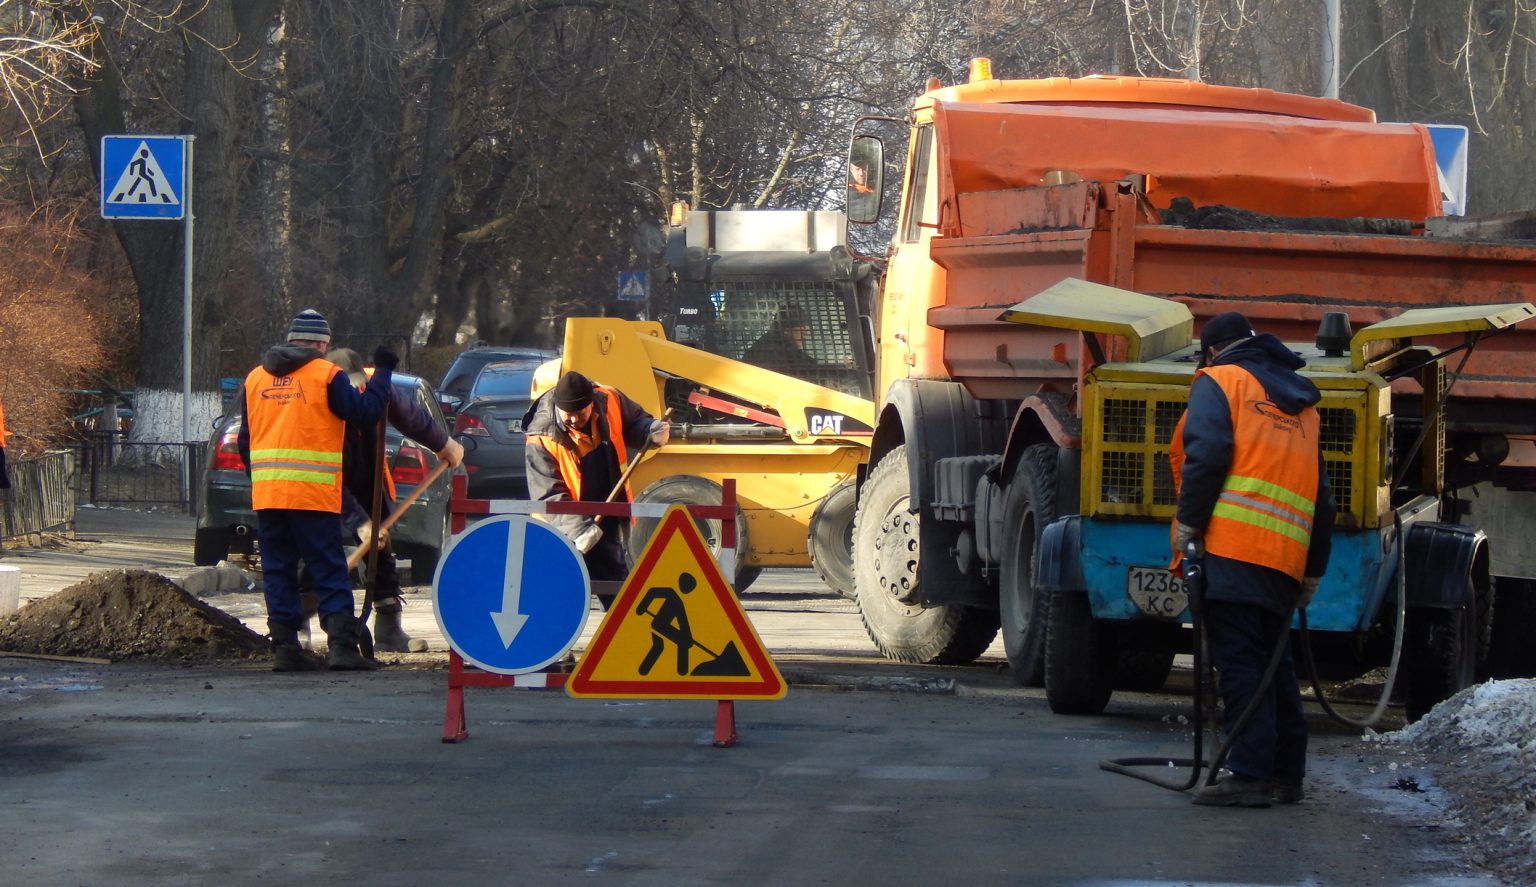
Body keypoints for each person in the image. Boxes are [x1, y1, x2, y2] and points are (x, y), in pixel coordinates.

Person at [1170, 311, 1335, 808]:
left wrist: (1188, 522)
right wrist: (1313, 568)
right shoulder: (1303, 404)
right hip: (1285, 556)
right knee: (1272, 666)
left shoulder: (1220, 381)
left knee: (1241, 663)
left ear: (1212, 351)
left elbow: (1208, 453)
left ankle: (1249, 773)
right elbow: (1322, 496)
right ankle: (1287, 774)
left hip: (1233, 548)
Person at [237, 309, 396, 672]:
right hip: (314, 494)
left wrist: (262, 478)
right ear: (322, 344)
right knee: (328, 567)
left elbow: (245, 442)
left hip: (269, 495)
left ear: (291, 339)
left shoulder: (255, 378)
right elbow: (366, 412)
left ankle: (286, 650)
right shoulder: (326, 374)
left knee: (278, 570)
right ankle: (341, 648)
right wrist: (384, 370)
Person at [326, 348, 464, 653]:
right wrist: (357, 522)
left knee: (380, 550)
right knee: (316, 549)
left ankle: (389, 629)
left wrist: (444, 444)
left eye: (359, 389)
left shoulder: (376, 386)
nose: (357, 396)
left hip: (367, 476)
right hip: (324, 480)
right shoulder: (319, 398)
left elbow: (411, 418)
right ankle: (302, 629)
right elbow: (330, 478)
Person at [524, 370, 668, 604]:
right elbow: (548, 494)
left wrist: (650, 430)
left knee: (616, 586)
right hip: (561, 527)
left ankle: (622, 634)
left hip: (607, 510)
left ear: (591, 404)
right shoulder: (541, 437)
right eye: (567, 415)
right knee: (558, 596)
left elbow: (634, 422)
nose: (573, 420)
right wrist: (580, 530)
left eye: (580, 414)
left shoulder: (609, 399)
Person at [743, 304, 821, 372]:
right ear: (786, 329)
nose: (806, 333)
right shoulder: (774, 349)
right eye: (802, 328)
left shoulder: (768, 343)